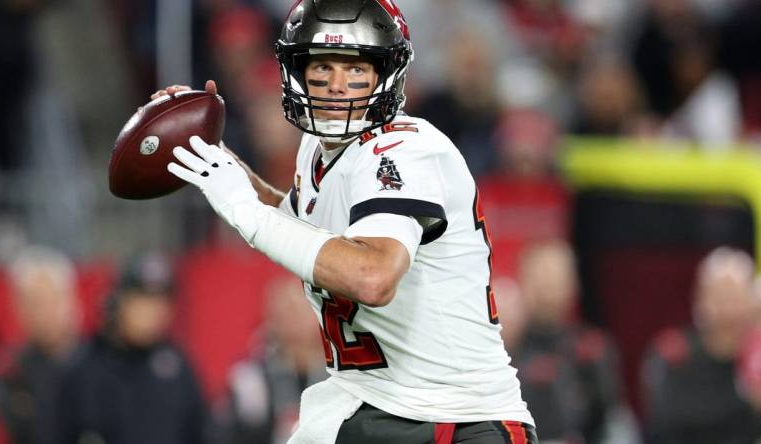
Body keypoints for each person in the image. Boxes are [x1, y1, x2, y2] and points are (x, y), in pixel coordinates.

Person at [155, 1, 536, 443]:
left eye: (355, 69)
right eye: (322, 67)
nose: (337, 85)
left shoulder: (404, 151)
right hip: (371, 404)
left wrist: (246, 212)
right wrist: (214, 156)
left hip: (456, 419)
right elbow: (300, 231)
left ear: (386, 73)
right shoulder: (318, 150)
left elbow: (372, 276)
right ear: (297, 71)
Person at [56, 253, 207, 444]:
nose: (153, 312)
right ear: (118, 301)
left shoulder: (177, 367)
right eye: (143, 300)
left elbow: (201, 433)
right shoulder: (83, 370)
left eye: (161, 302)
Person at [641, 247, 761, 444]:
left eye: (736, 298)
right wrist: (748, 403)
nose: (729, 310)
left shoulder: (756, 356)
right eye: (720, 298)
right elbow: (667, 420)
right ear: (700, 299)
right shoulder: (675, 353)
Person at [511, 240, 626, 443]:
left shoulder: (593, 350)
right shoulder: (502, 346)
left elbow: (611, 420)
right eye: (540, 278)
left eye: (554, 280)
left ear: (573, 285)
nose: (546, 290)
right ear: (522, 281)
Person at [0, 246, 81, 444]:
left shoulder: (97, 363)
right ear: (19, 307)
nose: (43, 312)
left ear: (69, 300)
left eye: (50, 300)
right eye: (34, 302)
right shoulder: (7, 374)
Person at [213, 278, 328, 444]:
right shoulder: (250, 377)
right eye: (283, 310)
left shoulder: (343, 374)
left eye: (298, 309)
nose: (291, 318)